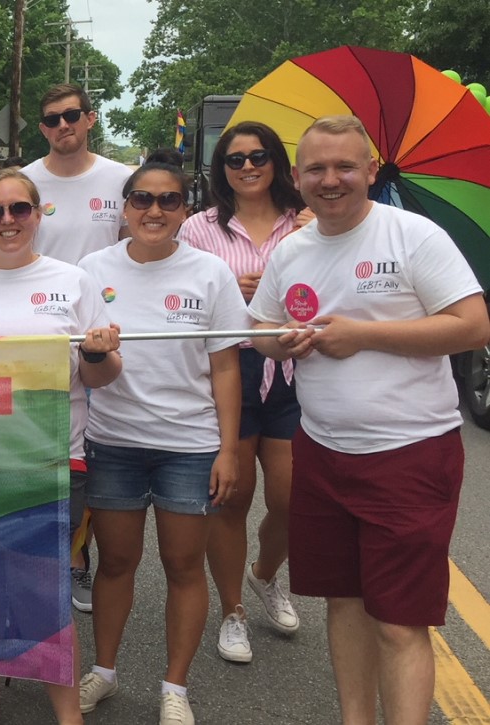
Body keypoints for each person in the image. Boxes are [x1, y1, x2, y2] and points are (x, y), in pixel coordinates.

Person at [250, 115, 489, 725]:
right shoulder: (292, 251)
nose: (330, 180)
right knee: (345, 603)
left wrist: (364, 336)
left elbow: (472, 325)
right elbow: (261, 331)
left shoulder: (414, 237)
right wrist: (283, 342)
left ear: (370, 171)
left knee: (400, 622)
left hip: (409, 453)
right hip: (323, 451)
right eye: (316, 169)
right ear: (297, 178)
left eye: (344, 167)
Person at [0, 168, 121, 725]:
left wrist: (99, 353)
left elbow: (102, 377)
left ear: (37, 214)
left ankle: (66, 712)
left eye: (19, 210)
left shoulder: (74, 282)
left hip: (51, 457)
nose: (7, 222)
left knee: (43, 591)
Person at [76, 159, 247, 725]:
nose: (154, 211)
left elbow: (225, 368)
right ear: (124, 207)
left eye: (169, 201)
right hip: (113, 440)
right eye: (142, 199)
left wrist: (226, 448)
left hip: (189, 444)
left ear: (184, 209)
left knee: (182, 565)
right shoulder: (89, 269)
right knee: (115, 562)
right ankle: (103, 672)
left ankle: (175, 686)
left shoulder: (212, 273)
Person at [178, 122, 307, 664]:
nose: (248, 166)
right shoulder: (199, 229)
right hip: (230, 368)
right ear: (221, 170)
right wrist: (231, 290)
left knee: (292, 498)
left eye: (258, 155)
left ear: (276, 161)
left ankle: (264, 575)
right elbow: (179, 294)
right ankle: (232, 611)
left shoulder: (307, 225)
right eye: (235, 159)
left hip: (298, 370)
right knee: (232, 495)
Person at [22, 83, 134, 264]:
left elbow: (132, 248)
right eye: (53, 120)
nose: (63, 125)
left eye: (71, 115)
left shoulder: (122, 179)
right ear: (44, 129)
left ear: (90, 119)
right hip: (42, 291)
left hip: (102, 291)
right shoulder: (23, 182)